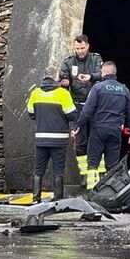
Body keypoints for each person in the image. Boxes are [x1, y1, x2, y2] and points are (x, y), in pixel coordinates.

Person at [72, 61, 130, 190]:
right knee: (112, 166)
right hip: (115, 131)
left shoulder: (98, 88)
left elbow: (87, 111)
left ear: (104, 72)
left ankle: (91, 193)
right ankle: (109, 193)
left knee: (92, 164)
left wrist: (78, 127)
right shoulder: (124, 90)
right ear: (114, 73)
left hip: (98, 130)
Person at [27, 65, 77, 202]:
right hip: (59, 140)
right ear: (56, 77)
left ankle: (36, 198)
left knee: (38, 170)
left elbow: (31, 114)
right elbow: (72, 115)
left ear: (45, 76)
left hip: (41, 139)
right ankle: (57, 198)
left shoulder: (35, 93)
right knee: (58, 170)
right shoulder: (63, 94)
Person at [59, 35, 103, 178]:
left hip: (94, 105)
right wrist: (64, 81)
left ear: (88, 46)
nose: (80, 51)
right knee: (80, 141)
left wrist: (90, 76)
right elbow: (62, 75)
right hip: (77, 105)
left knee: (97, 138)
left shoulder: (96, 58)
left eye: (82, 48)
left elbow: (101, 73)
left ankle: (98, 173)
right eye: (77, 49)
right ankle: (84, 175)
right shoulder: (69, 61)